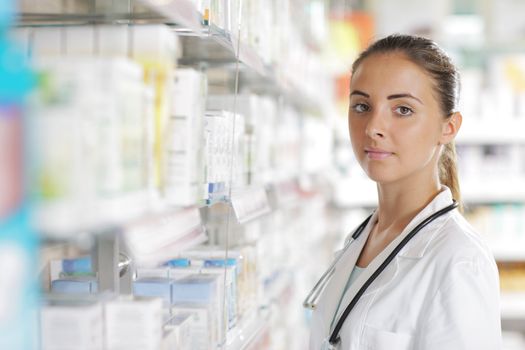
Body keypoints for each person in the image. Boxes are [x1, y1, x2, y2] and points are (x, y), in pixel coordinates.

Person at [307, 34, 502, 350]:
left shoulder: (459, 261)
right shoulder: (361, 239)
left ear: (448, 127)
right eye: (361, 106)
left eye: (402, 110)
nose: (373, 127)